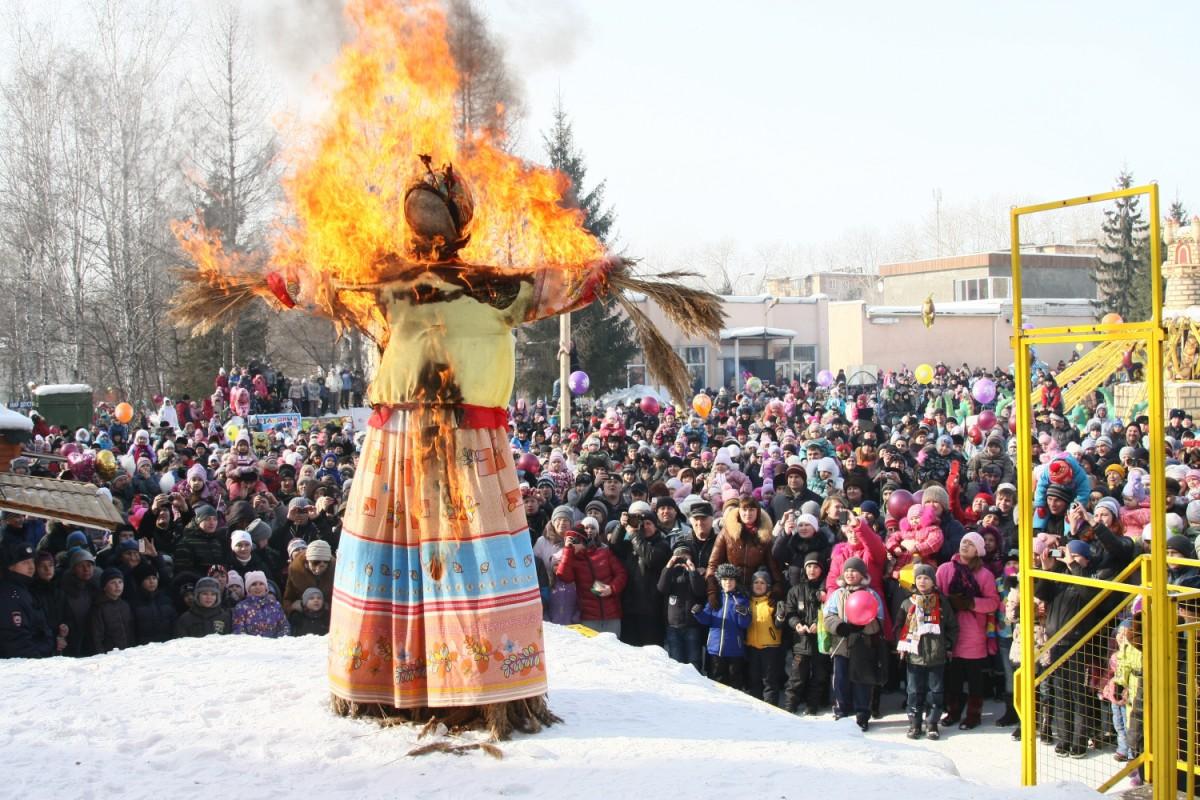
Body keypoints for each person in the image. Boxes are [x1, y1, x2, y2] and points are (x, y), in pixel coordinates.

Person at [935, 531, 1000, 730]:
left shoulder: (984, 574)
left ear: (978, 551)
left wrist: (971, 603)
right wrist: (948, 603)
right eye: (964, 542)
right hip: (951, 632)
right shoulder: (945, 569)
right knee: (952, 676)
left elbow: (993, 603)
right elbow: (936, 594)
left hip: (974, 632)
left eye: (971, 544)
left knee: (974, 679)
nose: (965, 546)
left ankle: (974, 714)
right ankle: (953, 711)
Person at [896, 563, 958, 740]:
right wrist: (901, 646)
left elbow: (953, 627)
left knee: (935, 692)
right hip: (914, 656)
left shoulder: (942, 603)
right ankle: (915, 723)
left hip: (936, 657)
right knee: (914, 691)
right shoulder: (907, 603)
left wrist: (947, 646)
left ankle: (932, 723)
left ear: (933, 582)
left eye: (927, 578)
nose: (922, 581)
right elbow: (899, 627)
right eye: (919, 578)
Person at [824, 557, 885, 731]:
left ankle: (862, 714)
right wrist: (840, 627)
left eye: (854, 571)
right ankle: (841, 711)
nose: (850, 574)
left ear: (862, 574)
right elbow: (828, 616)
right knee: (840, 680)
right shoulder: (838, 594)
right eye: (847, 571)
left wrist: (863, 625)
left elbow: (879, 620)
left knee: (862, 681)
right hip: (841, 644)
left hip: (863, 645)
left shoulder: (871, 595)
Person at [555, 523, 627, 636]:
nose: (571, 544)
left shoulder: (604, 553)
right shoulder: (572, 561)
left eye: (574, 541)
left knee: (614, 652)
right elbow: (563, 576)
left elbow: (621, 574)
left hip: (612, 616)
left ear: (582, 541)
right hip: (589, 619)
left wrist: (611, 588)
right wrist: (567, 549)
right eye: (568, 541)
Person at [781, 552, 830, 715]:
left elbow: (829, 611)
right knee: (796, 677)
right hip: (800, 641)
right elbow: (790, 612)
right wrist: (797, 625)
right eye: (809, 566)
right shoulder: (795, 590)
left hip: (820, 641)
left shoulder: (826, 591)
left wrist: (819, 623)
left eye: (816, 567)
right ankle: (790, 705)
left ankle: (812, 706)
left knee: (818, 676)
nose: (812, 570)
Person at [693, 562, 750, 689]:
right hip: (715, 649)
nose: (727, 583)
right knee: (716, 682)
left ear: (736, 582)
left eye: (731, 580)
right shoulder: (715, 598)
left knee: (734, 682)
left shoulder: (742, 599)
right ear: (720, 581)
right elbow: (706, 620)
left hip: (734, 650)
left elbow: (744, 624)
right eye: (724, 579)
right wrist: (698, 613)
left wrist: (743, 614)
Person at [0, 542, 60, 658]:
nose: (31, 566)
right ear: (11, 567)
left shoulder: (25, 589)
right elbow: (16, 642)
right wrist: (37, 658)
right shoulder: (11, 595)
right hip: (26, 665)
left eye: (32, 561)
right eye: (25, 563)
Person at [657, 544, 706, 672]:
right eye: (679, 556)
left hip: (692, 625)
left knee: (694, 659)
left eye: (685, 556)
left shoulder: (694, 573)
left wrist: (692, 571)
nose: (682, 558)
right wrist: (669, 566)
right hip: (673, 625)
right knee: (676, 660)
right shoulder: (670, 573)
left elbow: (700, 591)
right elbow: (661, 588)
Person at [743, 568, 784, 706]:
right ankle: (756, 707)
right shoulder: (747, 602)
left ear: (768, 586)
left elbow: (779, 624)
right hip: (752, 646)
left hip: (770, 647)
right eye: (756, 582)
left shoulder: (772, 602)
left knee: (769, 679)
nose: (759, 585)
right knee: (754, 678)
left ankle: (771, 707)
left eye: (762, 582)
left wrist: (781, 616)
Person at [90, 567, 136, 653]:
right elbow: (96, 637)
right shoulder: (98, 608)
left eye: (120, 582)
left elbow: (131, 631)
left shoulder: (125, 605)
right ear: (104, 587)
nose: (118, 586)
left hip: (128, 654)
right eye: (112, 583)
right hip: (110, 656)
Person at [282, 539, 335, 613]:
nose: (318, 569)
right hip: (303, 616)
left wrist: (328, 606)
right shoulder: (295, 571)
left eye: (323, 566)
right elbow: (288, 598)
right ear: (307, 562)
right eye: (314, 564)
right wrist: (292, 607)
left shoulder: (335, 574)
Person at [233, 571, 290, 638]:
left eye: (261, 584)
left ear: (266, 588)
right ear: (248, 589)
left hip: (274, 646)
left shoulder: (275, 605)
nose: (258, 587)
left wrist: (278, 642)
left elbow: (285, 627)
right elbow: (239, 630)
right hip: (250, 646)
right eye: (253, 584)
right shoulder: (241, 607)